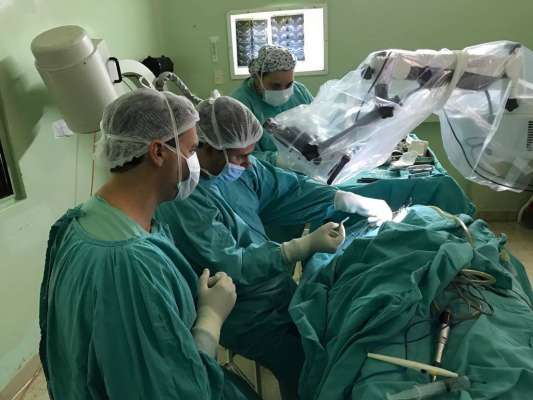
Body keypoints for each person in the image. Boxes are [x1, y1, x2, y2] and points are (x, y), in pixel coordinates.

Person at [156, 96, 393, 399]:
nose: (248, 163)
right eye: (240, 156)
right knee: (305, 364)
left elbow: (288, 190)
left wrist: (342, 199)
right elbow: (231, 264)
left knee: (326, 336)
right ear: (207, 147)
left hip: (274, 289)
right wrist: (298, 248)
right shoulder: (184, 199)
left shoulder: (242, 170)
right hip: (241, 311)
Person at [39, 89, 259, 400]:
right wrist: (210, 319)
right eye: (192, 150)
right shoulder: (130, 264)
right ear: (158, 152)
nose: (195, 163)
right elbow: (173, 390)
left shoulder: (82, 220)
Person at [231, 45, 314, 166]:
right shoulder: (240, 105)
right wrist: (277, 160)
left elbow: (317, 125)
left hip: (306, 164)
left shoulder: (300, 92)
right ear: (257, 77)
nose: (283, 92)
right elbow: (238, 156)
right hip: (264, 171)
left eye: (289, 84)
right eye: (275, 86)